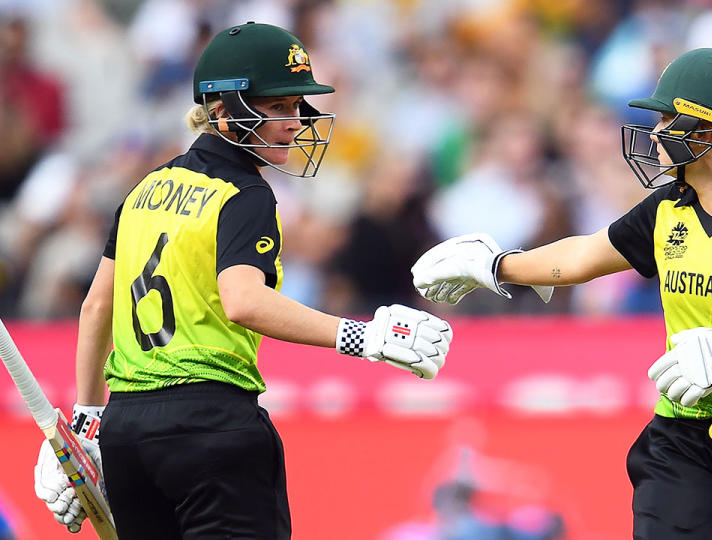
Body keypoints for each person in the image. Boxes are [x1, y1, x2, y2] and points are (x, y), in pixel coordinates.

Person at [412, 48, 712, 540]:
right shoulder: (667, 209)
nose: (654, 133)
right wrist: (495, 265)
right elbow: (584, 256)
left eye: (669, 119)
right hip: (683, 434)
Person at [33, 22, 453, 539]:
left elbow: (97, 307)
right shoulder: (247, 194)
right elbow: (244, 301)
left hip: (129, 435)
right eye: (275, 107)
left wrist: (85, 421)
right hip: (213, 429)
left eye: (296, 106)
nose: (294, 122)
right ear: (224, 112)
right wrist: (360, 336)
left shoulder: (145, 188)